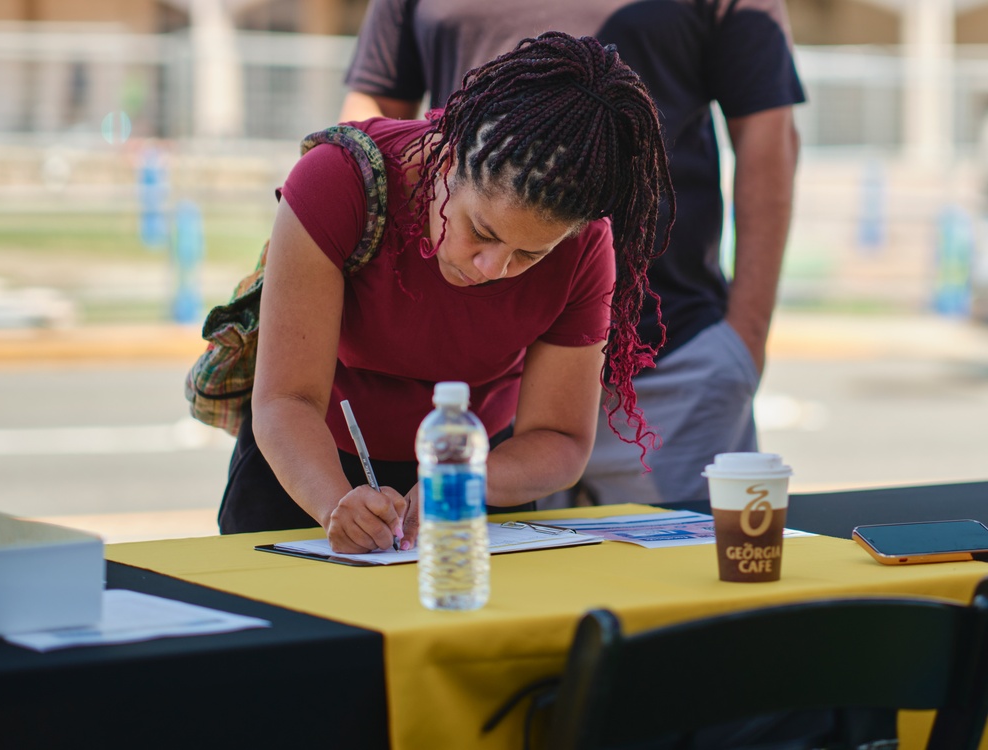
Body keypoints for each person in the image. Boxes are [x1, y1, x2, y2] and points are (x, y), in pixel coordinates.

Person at [219, 32, 674, 553]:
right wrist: (334, 504)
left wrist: (461, 483)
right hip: (308, 471)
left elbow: (561, 439)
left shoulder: (586, 245)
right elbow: (285, 399)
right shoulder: (338, 181)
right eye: (482, 231)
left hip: (478, 479)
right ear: (449, 157)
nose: (494, 268)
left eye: (530, 255)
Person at [341, 0, 805, 506]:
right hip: (476, 377)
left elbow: (768, 134)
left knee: (686, 579)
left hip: (669, 357)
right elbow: (375, 116)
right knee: (480, 580)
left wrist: (745, 339)